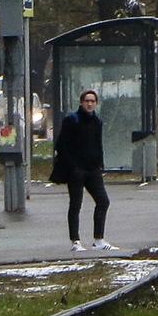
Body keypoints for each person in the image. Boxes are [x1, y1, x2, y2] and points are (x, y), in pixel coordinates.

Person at [52, 87, 114, 251]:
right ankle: (75, 241)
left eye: (92, 101)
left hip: (93, 169)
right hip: (76, 170)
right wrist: (73, 166)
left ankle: (99, 239)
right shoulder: (72, 120)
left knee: (103, 201)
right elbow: (61, 145)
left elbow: (98, 144)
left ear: (96, 104)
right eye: (87, 101)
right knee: (76, 204)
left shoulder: (97, 122)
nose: (89, 104)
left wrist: (100, 164)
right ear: (81, 102)